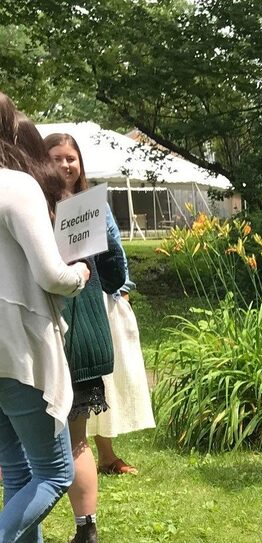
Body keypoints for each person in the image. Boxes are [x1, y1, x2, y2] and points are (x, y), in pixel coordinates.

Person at [0, 94, 90, 543]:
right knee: (54, 474)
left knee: (17, 474)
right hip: (19, 350)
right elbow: (52, 274)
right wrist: (79, 274)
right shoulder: (16, 186)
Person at [45, 133, 127, 543]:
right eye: (56, 158)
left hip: (79, 339)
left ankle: (85, 529)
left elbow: (115, 278)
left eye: (71, 158)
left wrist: (104, 241)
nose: (65, 165)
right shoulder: (33, 208)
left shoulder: (93, 210)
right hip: (41, 335)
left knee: (76, 439)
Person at [85, 211, 156, 476]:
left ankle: (106, 456)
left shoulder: (92, 204)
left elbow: (113, 245)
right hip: (56, 299)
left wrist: (122, 290)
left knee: (102, 379)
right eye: (58, 163)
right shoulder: (36, 196)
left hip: (97, 294)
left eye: (72, 163)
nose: (65, 165)